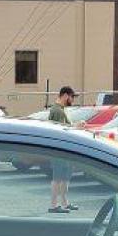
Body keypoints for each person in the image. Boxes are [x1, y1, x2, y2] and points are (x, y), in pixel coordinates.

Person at [47, 85, 78, 213]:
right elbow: (61, 131)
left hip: (64, 150)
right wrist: (76, 127)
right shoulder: (57, 111)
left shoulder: (61, 109)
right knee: (57, 178)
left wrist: (76, 126)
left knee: (65, 177)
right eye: (71, 97)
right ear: (65, 95)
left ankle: (64, 203)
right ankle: (54, 205)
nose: (72, 100)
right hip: (59, 150)